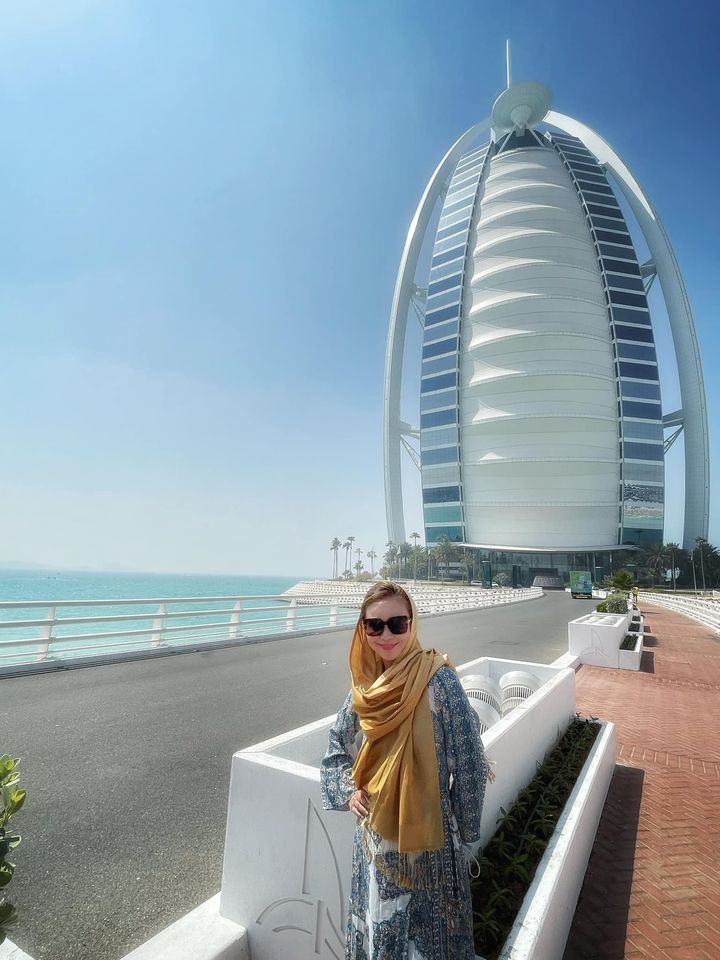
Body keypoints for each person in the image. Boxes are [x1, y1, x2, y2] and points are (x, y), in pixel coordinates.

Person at [321, 580, 489, 959]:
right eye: (374, 625)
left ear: (413, 623)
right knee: (382, 931)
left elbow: (469, 762)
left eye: (397, 623)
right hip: (375, 842)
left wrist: (464, 829)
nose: (386, 635)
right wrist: (348, 789)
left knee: (431, 939)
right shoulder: (364, 689)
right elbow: (336, 745)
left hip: (430, 841)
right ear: (362, 631)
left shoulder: (439, 680)